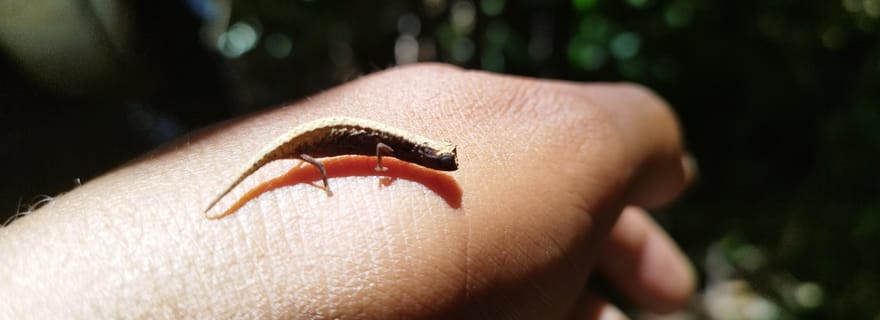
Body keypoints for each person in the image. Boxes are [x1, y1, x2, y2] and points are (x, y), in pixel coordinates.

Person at [0, 64, 695, 319]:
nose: (446, 167)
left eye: (444, 162)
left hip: (326, 137)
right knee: (297, 169)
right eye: (443, 162)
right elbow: (382, 148)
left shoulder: (420, 152)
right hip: (314, 142)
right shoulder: (399, 150)